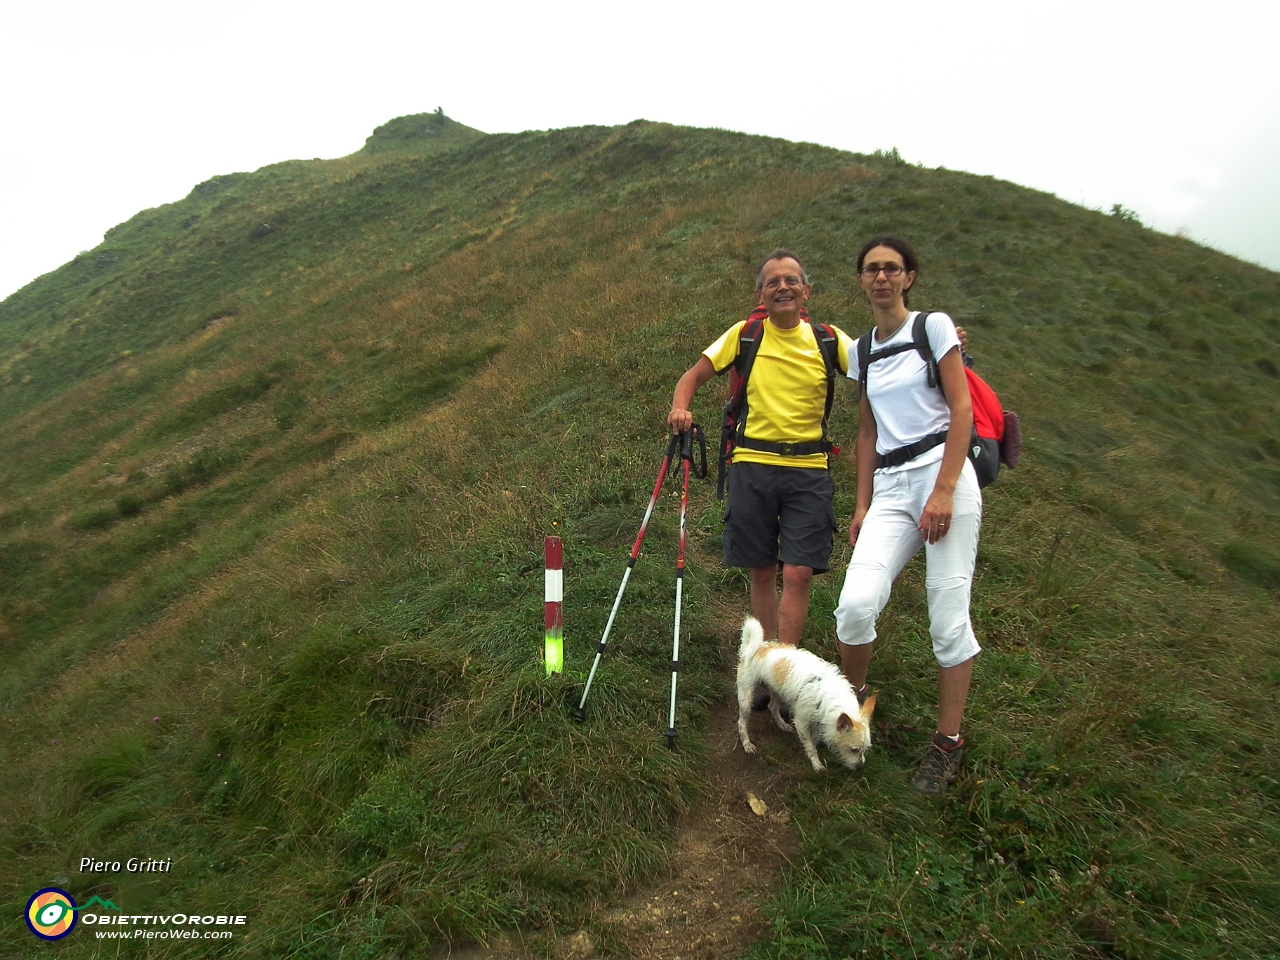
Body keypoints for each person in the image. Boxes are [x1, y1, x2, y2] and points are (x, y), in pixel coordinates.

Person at [833, 235, 982, 797]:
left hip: (943, 472)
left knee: (947, 617)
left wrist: (943, 490)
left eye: (892, 268)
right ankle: (854, 707)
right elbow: (867, 430)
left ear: (909, 277)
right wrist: (862, 503)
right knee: (853, 606)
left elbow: (961, 406)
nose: (881, 278)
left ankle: (948, 743)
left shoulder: (933, 326)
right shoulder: (861, 351)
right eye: (871, 269)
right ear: (860, 280)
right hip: (891, 486)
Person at [669, 249, 854, 648]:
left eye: (791, 281)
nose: (783, 287)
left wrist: (945, 355)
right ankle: (768, 657)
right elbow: (693, 375)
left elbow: (883, 368)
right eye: (773, 282)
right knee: (762, 569)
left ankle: (784, 666)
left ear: (806, 291)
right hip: (752, 464)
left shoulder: (830, 340)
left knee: (800, 572)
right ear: (760, 293)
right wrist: (680, 408)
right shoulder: (744, 335)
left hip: (809, 467)